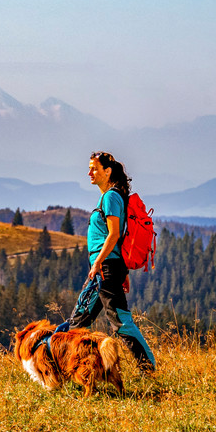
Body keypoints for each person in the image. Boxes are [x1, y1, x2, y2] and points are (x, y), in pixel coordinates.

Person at [59, 151, 156, 373]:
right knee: (78, 321)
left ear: (107, 171)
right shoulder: (111, 196)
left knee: (121, 322)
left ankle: (148, 368)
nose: (89, 172)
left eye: (94, 168)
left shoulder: (111, 197)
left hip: (105, 268)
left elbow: (113, 235)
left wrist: (98, 264)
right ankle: (65, 369)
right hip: (107, 268)